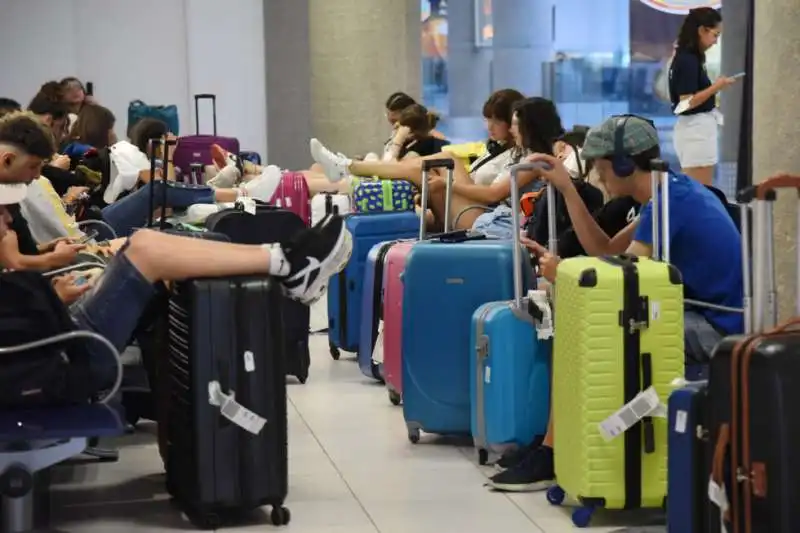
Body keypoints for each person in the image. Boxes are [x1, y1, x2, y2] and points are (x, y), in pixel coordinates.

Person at [0, 110, 353, 394]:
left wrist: (51, 289)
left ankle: (283, 263)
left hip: (55, 334)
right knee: (146, 246)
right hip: (61, 352)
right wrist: (51, 288)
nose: (7, 220)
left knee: (156, 241)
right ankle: (285, 262)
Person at [486, 114, 743, 492]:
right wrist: (567, 191)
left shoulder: (672, 203)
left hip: (717, 327)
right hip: (701, 314)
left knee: (586, 335)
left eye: (601, 168)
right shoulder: (670, 192)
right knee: (590, 326)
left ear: (623, 164)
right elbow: (604, 249)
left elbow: (622, 280)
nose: (599, 178)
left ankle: (553, 452)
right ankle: (554, 445)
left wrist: (564, 271)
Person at [669, 7, 737, 185]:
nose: (715, 42)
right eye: (715, 35)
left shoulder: (690, 58)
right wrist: (716, 87)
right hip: (695, 130)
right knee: (699, 190)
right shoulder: (687, 60)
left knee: (699, 189)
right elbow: (686, 103)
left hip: (696, 129)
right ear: (701, 30)